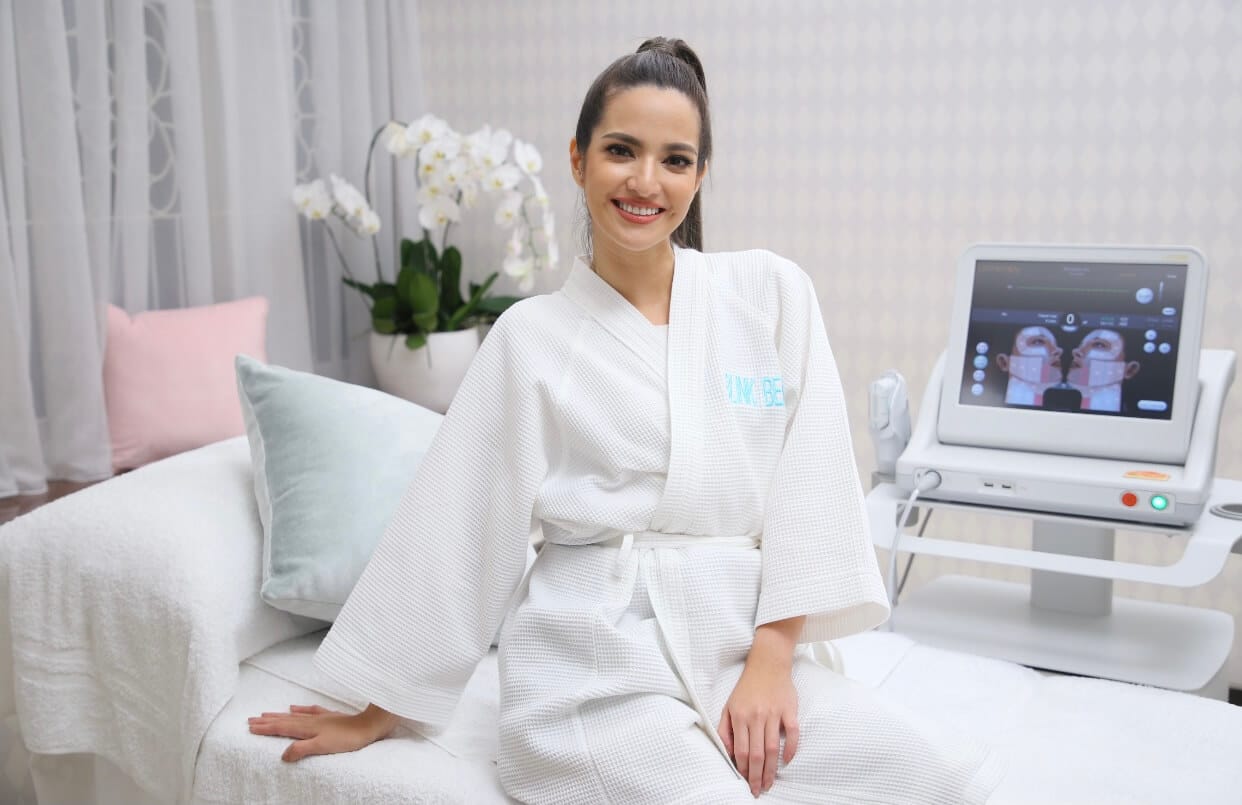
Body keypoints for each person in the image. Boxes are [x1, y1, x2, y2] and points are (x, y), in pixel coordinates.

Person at [248, 38, 1003, 803]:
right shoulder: (530, 338)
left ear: (701, 174)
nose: (647, 182)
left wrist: (773, 662)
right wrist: (382, 704)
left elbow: (810, 488)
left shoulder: (770, 295)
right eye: (621, 151)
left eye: (676, 159)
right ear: (577, 160)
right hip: (593, 662)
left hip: (742, 643)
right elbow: (463, 519)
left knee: (935, 780)